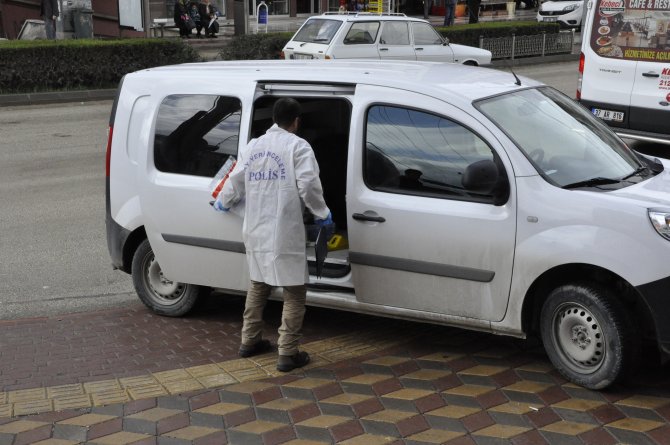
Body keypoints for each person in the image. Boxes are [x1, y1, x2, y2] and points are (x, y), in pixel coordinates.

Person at [215, 98, 331, 372]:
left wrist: (224, 199)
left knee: (258, 284)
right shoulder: (298, 147)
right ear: (296, 121)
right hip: (284, 231)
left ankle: (249, 341)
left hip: (255, 229)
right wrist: (322, 212)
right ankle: (288, 353)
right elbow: (309, 186)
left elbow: (235, 180)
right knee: (294, 291)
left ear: (274, 119)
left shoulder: (254, 146)